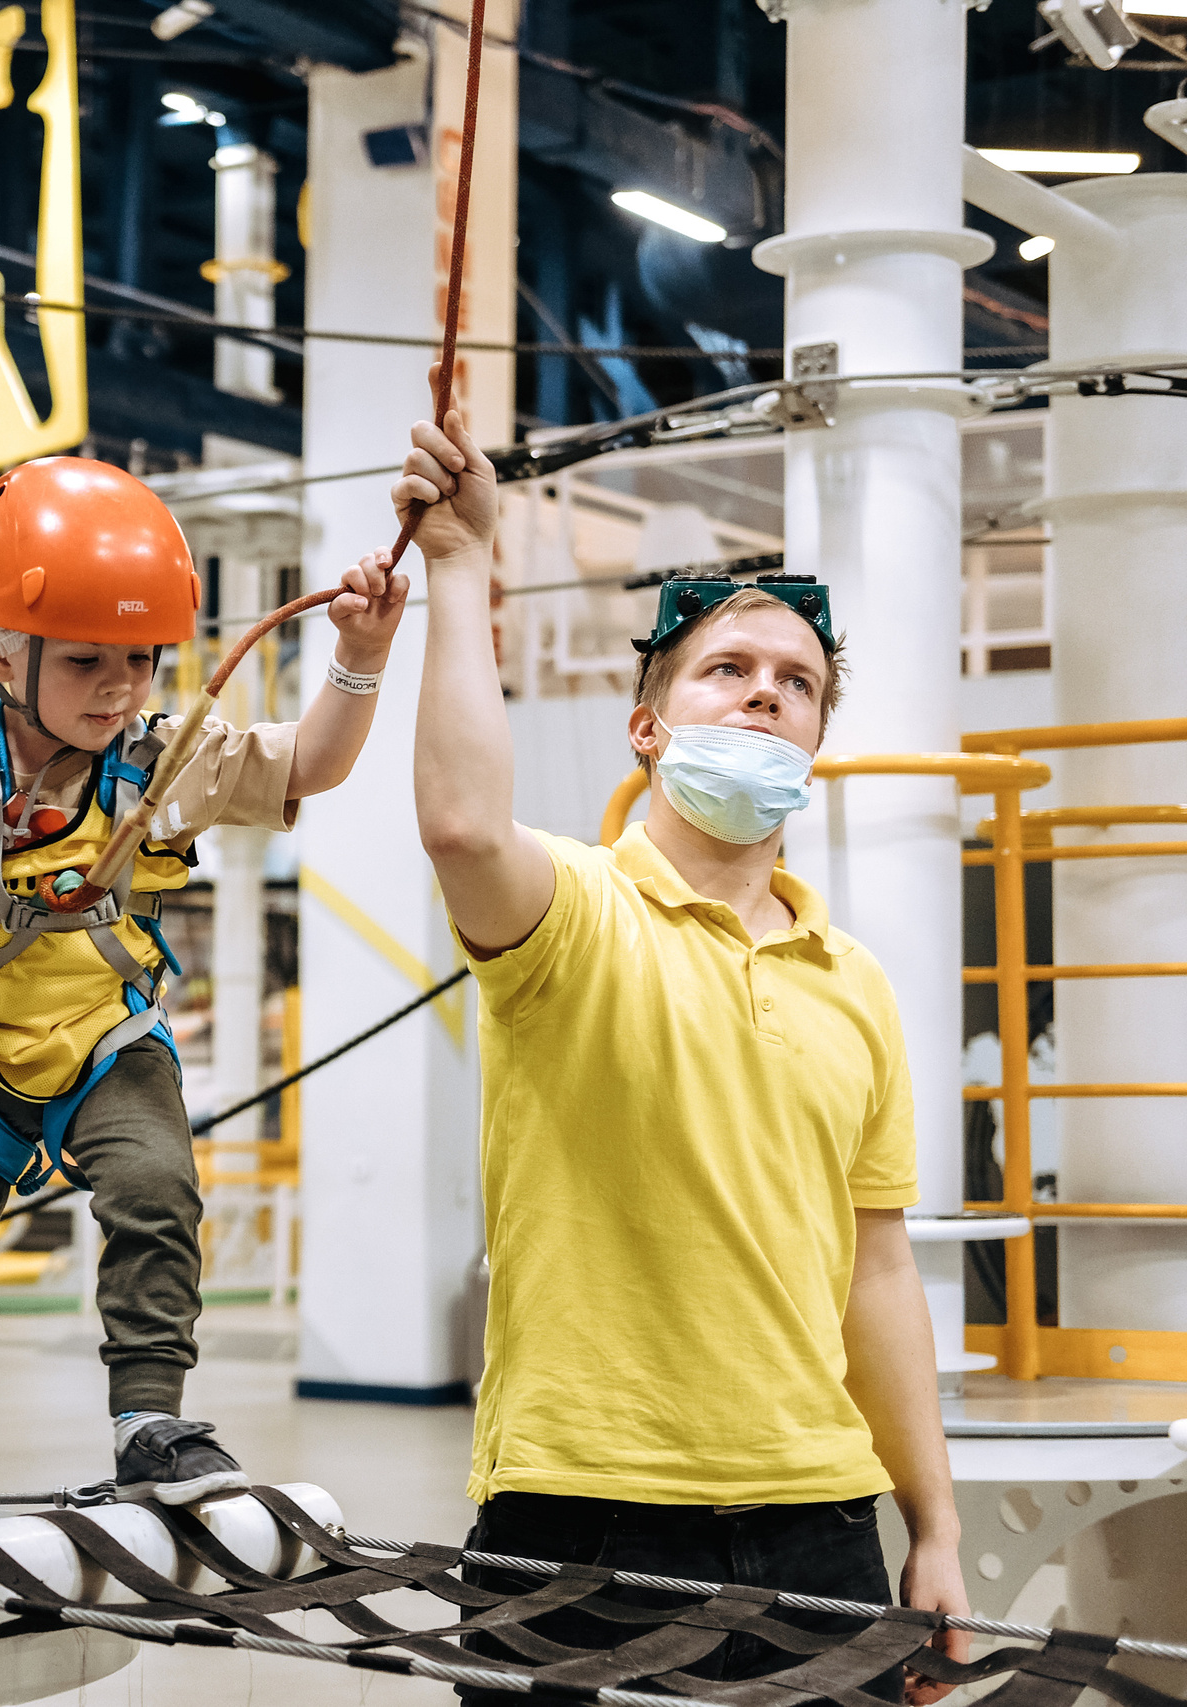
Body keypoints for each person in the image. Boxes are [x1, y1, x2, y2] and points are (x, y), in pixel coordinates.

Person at [390, 404, 969, 1703]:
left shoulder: (856, 982)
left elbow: (879, 1270)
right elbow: (464, 824)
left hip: (822, 1513)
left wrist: (930, 1522)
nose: (768, 686)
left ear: (815, 740)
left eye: (798, 679)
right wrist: (461, 561)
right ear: (648, 726)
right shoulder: (575, 914)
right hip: (582, 1508)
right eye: (726, 668)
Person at [0, 456, 407, 1524]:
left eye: (138, 661)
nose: (119, 687)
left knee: (154, 1191)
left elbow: (309, 763)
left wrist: (358, 660)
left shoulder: (162, 760)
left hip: (102, 1036)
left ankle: (149, 1427)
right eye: (86, 661)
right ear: (2, 655)